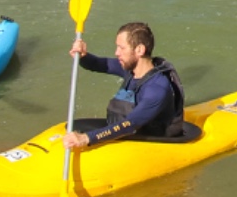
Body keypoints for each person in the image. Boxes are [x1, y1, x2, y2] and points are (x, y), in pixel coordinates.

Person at [64, 21, 193, 148]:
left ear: (139, 50)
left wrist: (87, 138)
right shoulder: (130, 69)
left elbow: (130, 124)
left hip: (152, 141)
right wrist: (82, 56)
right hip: (130, 133)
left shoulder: (157, 89)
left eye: (122, 47)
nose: (116, 52)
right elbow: (97, 64)